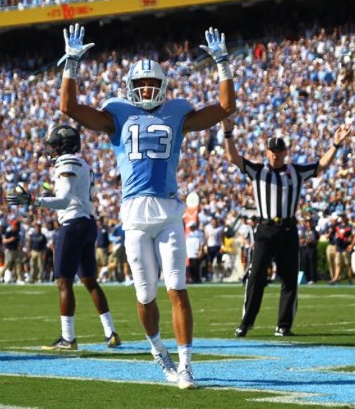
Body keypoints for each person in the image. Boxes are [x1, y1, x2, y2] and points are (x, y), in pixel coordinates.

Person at [58, 23, 236, 389]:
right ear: (130, 88)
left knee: (177, 288)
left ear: (164, 87)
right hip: (135, 213)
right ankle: (159, 351)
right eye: (140, 86)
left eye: (152, 85)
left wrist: (222, 64)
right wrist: (71, 65)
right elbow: (69, 107)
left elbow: (225, 107)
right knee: (145, 294)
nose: (147, 91)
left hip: (170, 210)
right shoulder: (117, 113)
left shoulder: (177, 111)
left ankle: (186, 365)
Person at [223, 117, 349, 338]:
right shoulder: (258, 171)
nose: (275, 155)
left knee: (290, 279)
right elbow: (233, 157)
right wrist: (228, 133)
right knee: (255, 278)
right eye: (272, 151)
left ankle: (284, 325)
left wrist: (336, 144)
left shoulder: (296, 172)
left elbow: (321, 165)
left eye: (279, 151)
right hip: (265, 230)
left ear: (285, 153)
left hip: (289, 230)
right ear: (267, 152)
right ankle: (246, 322)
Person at [7, 125, 121, 350]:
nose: (52, 149)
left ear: (64, 145)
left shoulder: (67, 163)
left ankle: (68, 338)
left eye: (55, 145)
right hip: (87, 223)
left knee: (63, 281)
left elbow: (64, 200)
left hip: (73, 224)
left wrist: (34, 200)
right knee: (90, 281)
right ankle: (111, 333)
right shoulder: (82, 163)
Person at [331, 212, 355, 285]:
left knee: (347, 264)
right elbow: (335, 235)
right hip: (339, 247)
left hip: (346, 247)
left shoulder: (350, 226)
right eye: (340, 217)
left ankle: (350, 278)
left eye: (342, 217)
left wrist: (351, 245)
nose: (341, 218)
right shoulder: (338, 226)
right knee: (338, 263)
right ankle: (336, 278)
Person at [299, 217, 319, 284]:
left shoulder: (314, 231)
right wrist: (302, 240)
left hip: (311, 249)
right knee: (305, 264)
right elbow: (301, 239)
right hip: (305, 249)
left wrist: (308, 241)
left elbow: (315, 241)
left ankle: (312, 278)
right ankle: (306, 278)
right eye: (307, 222)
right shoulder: (304, 231)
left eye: (309, 222)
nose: (308, 224)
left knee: (312, 264)